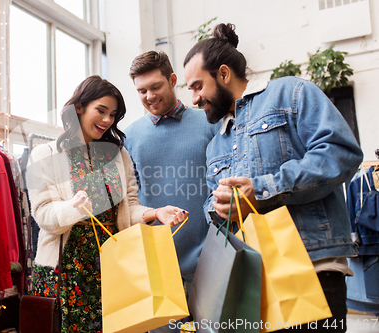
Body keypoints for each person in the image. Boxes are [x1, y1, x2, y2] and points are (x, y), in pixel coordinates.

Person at [183, 23, 363, 332]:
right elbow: (212, 206)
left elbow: (340, 153)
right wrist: (219, 208)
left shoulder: (292, 93)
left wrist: (262, 189)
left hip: (311, 271)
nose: (195, 99)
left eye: (198, 86)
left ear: (223, 74)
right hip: (251, 286)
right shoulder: (216, 144)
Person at [26, 75, 188, 332]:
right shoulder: (44, 154)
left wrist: (156, 212)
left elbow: (128, 208)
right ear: (79, 107)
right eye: (100, 111)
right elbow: (43, 214)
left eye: (112, 115)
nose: (106, 121)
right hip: (65, 273)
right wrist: (74, 207)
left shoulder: (118, 155)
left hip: (114, 266)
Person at [125, 51, 219, 332]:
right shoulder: (130, 137)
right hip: (157, 268)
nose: (149, 96)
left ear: (173, 80)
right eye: (142, 90)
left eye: (156, 87)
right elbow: (131, 202)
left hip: (210, 261)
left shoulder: (208, 123)